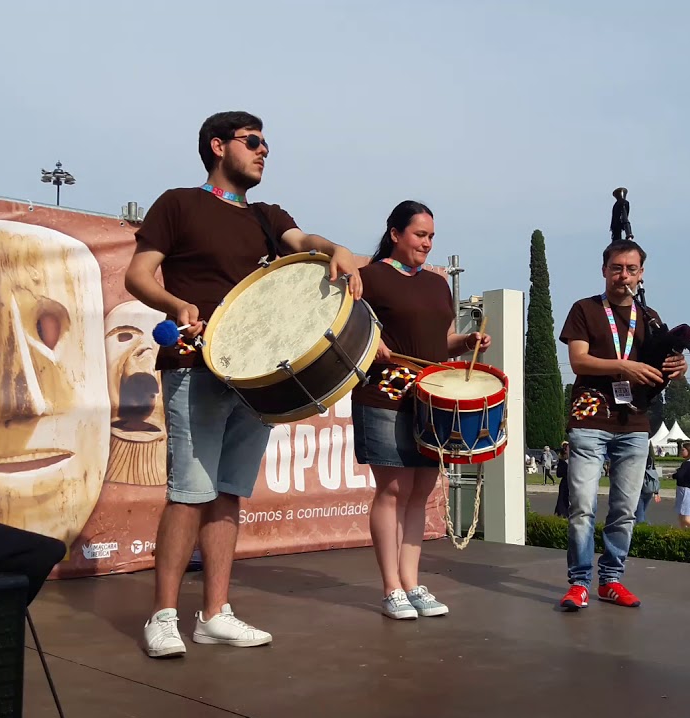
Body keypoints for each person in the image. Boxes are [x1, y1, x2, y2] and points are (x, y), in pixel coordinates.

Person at [124, 111, 364, 657]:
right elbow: (137, 275)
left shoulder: (266, 216)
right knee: (189, 493)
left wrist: (337, 250)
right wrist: (176, 304)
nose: (263, 150)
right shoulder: (178, 204)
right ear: (218, 146)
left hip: (256, 376)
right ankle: (163, 616)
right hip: (196, 366)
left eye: (265, 143)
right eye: (252, 141)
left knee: (229, 492)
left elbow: (304, 240)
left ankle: (215, 614)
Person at [350, 200, 490, 620]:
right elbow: (346, 327)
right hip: (385, 395)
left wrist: (466, 342)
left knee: (420, 491)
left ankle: (411, 583)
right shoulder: (370, 278)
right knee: (393, 489)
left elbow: (441, 340)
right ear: (395, 234)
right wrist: (371, 342)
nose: (427, 243)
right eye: (419, 235)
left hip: (432, 400)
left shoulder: (436, 284)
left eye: (431, 237)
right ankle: (391, 588)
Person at [557, 239, 687, 610]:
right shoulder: (584, 309)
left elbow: (662, 364)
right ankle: (579, 583)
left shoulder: (650, 317)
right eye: (616, 268)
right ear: (604, 270)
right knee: (582, 506)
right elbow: (579, 361)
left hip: (634, 422)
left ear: (641, 274)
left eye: (631, 269)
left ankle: (611, 580)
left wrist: (679, 367)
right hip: (590, 418)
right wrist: (623, 366)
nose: (623, 276)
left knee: (625, 510)